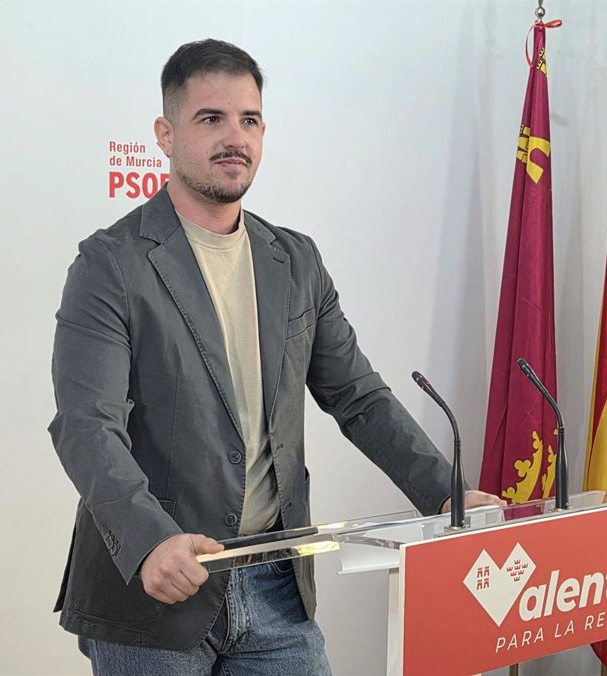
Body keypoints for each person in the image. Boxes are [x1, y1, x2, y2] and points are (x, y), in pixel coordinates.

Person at [48, 38, 504, 675]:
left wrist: (446, 496)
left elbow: (359, 398)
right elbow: (87, 425)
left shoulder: (295, 260)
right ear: (166, 134)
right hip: (155, 593)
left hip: (276, 584)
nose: (234, 137)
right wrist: (150, 541)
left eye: (250, 120)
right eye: (211, 118)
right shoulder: (110, 264)